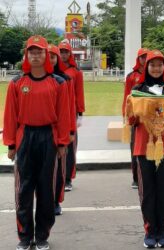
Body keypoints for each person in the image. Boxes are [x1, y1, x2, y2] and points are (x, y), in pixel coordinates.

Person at [3, 35, 70, 250]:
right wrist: (11, 144)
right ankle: (24, 237)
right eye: (31, 52)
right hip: (25, 138)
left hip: (48, 138)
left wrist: (61, 143)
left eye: (39, 51)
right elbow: (10, 116)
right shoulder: (16, 83)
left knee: (46, 190)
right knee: (23, 190)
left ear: (46, 55)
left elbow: (63, 115)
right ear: (26, 55)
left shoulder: (58, 82)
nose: (35, 55)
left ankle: (42, 236)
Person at [127, 50, 164, 248]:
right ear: (146, 67)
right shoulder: (137, 90)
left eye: (160, 65)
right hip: (144, 147)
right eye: (153, 65)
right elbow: (131, 120)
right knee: (147, 191)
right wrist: (137, 108)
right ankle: (150, 230)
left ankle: (163, 230)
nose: (156, 68)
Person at [48, 44, 76, 215]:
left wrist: (71, 130)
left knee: (59, 167)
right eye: (47, 55)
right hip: (42, 131)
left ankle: (56, 200)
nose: (50, 59)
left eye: (53, 56)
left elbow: (69, 108)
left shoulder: (65, 79)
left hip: (60, 130)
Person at [58, 41, 85, 191]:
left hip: (71, 112)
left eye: (66, 52)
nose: (63, 55)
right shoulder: (52, 71)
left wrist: (80, 113)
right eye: (61, 51)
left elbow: (79, 93)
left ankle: (67, 178)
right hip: (55, 112)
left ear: (70, 54)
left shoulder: (76, 72)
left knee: (69, 144)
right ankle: (57, 177)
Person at [122, 48, 148, 189]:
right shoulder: (132, 76)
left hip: (150, 117)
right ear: (138, 59)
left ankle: (147, 176)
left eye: (146, 57)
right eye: (142, 57)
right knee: (135, 148)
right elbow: (127, 97)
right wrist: (126, 115)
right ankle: (136, 178)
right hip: (136, 117)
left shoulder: (152, 74)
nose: (144, 60)